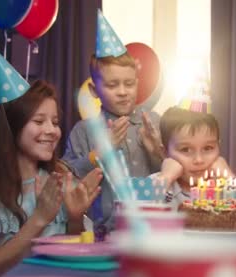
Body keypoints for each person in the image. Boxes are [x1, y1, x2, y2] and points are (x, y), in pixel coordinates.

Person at [0, 43, 101, 277]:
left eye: (55, 122)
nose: (52, 130)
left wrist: (75, 219)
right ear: (11, 129)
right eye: (39, 121)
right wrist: (38, 219)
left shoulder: (58, 179)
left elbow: (73, 256)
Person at [64, 10, 163, 228]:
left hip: (154, 229)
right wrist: (99, 154)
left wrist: (157, 151)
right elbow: (68, 178)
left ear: (138, 82)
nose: (122, 92)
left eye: (129, 84)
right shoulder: (84, 131)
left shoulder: (154, 122)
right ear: (94, 89)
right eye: (112, 85)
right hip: (104, 232)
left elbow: (172, 175)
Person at [154, 107, 230, 204]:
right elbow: (140, 214)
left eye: (208, 148)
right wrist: (166, 178)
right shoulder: (157, 182)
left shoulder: (225, 186)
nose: (199, 160)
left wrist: (230, 177)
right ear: (165, 152)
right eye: (186, 150)